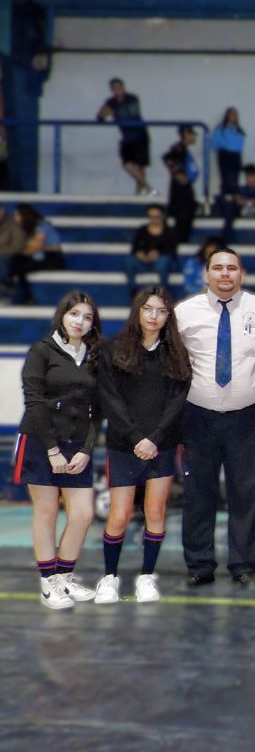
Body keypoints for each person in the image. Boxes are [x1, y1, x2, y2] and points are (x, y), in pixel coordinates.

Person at [175, 248, 255, 585]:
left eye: (232, 268)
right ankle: (199, 565)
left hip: (247, 418)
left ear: (242, 274)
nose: (225, 274)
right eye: (218, 268)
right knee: (198, 494)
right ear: (206, 274)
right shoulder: (184, 312)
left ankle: (243, 566)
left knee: (245, 494)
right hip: (197, 417)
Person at [94, 287, 191, 604]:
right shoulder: (112, 351)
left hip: (162, 444)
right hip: (124, 445)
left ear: (168, 317)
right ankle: (109, 577)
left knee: (155, 511)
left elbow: (177, 401)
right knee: (119, 514)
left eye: (161, 311)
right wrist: (137, 438)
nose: (154, 316)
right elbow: (109, 399)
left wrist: (154, 438)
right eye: (148, 309)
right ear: (137, 311)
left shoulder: (176, 353)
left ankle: (147, 576)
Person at [17, 291, 102, 609]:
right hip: (41, 440)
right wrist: (52, 450)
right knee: (47, 511)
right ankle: (48, 582)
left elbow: (98, 408)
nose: (80, 321)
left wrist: (86, 449)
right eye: (74, 314)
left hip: (77, 443)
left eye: (87, 317)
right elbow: (34, 401)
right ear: (62, 316)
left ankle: (65, 576)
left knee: (83, 514)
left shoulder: (94, 356)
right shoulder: (41, 351)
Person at [96, 77, 151, 194]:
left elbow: (131, 114)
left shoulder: (132, 98)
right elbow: (100, 117)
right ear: (112, 90)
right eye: (114, 88)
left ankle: (140, 194)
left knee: (141, 166)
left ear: (123, 87)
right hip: (127, 138)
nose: (117, 90)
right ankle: (149, 188)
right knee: (127, 164)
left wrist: (112, 111)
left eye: (119, 87)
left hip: (140, 135)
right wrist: (107, 112)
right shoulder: (111, 102)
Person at [9, 204, 66, 305]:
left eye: (17, 215)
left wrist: (20, 251)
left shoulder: (41, 225)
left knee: (18, 263)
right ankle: (21, 294)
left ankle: (23, 295)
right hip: (39, 257)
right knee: (17, 264)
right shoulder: (26, 228)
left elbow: (37, 246)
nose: (15, 218)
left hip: (52, 259)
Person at [124, 204, 177, 298]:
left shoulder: (169, 231)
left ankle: (163, 291)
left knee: (164, 261)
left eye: (157, 216)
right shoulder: (142, 230)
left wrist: (158, 254)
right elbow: (134, 249)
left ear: (162, 216)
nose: (154, 219)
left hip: (162, 262)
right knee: (129, 261)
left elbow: (172, 251)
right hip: (143, 261)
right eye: (151, 216)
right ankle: (133, 291)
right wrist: (140, 254)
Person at [162, 126, 199, 244]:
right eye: (192, 134)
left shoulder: (184, 150)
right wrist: (177, 172)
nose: (194, 137)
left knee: (187, 217)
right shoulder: (179, 148)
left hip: (185, 189)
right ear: (186, 134)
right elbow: (168, 158)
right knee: (182, 218)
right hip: (181, 191)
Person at [211, 107, 246, 230]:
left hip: (236, 155)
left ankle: (233, 201)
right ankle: (226, 201)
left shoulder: (238, 129)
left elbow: (241, 143)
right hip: (225, 154)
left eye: (235, 114)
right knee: (226, 179)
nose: (233, 117)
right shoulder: (221, 128)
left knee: (234, 179)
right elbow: (215, 143)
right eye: (231, 114)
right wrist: (224, 149)